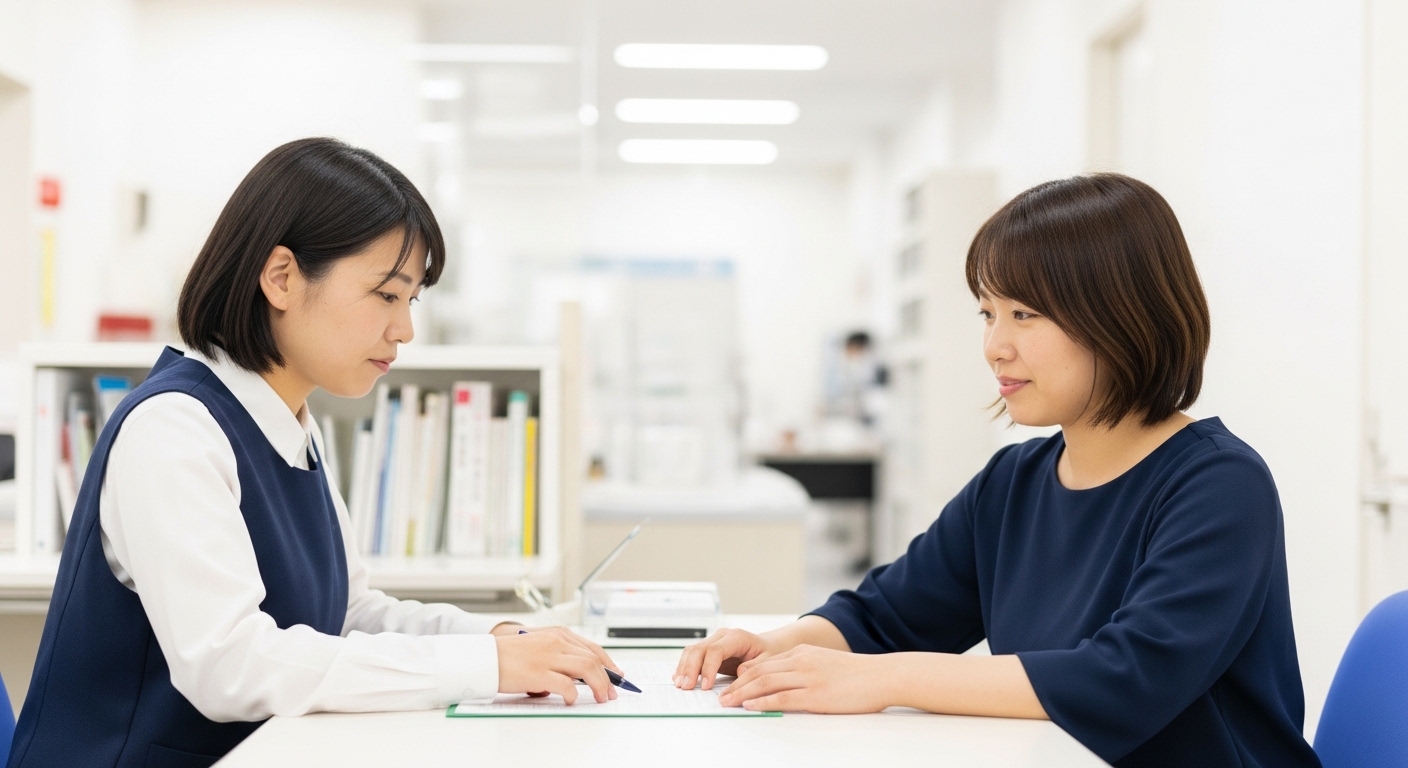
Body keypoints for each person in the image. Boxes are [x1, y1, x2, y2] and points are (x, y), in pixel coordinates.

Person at [9, 138, 621, 768]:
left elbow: (349, 615)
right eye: (386, 294)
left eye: (410, 300)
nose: (405, 328)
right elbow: (229, 665)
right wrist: (484, 665)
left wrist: (495, 638)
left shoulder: (290, 423)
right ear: (281, 277)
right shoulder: (173, 428)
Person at [674, 174, 1321, 768]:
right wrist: (777, 648)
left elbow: (1126, 681)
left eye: (1025, 314)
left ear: (1123, 316)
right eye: (988, 312)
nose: (994, 345)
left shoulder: (1220, 486)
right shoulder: (1012, 482)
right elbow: (885, 616)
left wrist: (884, 678)